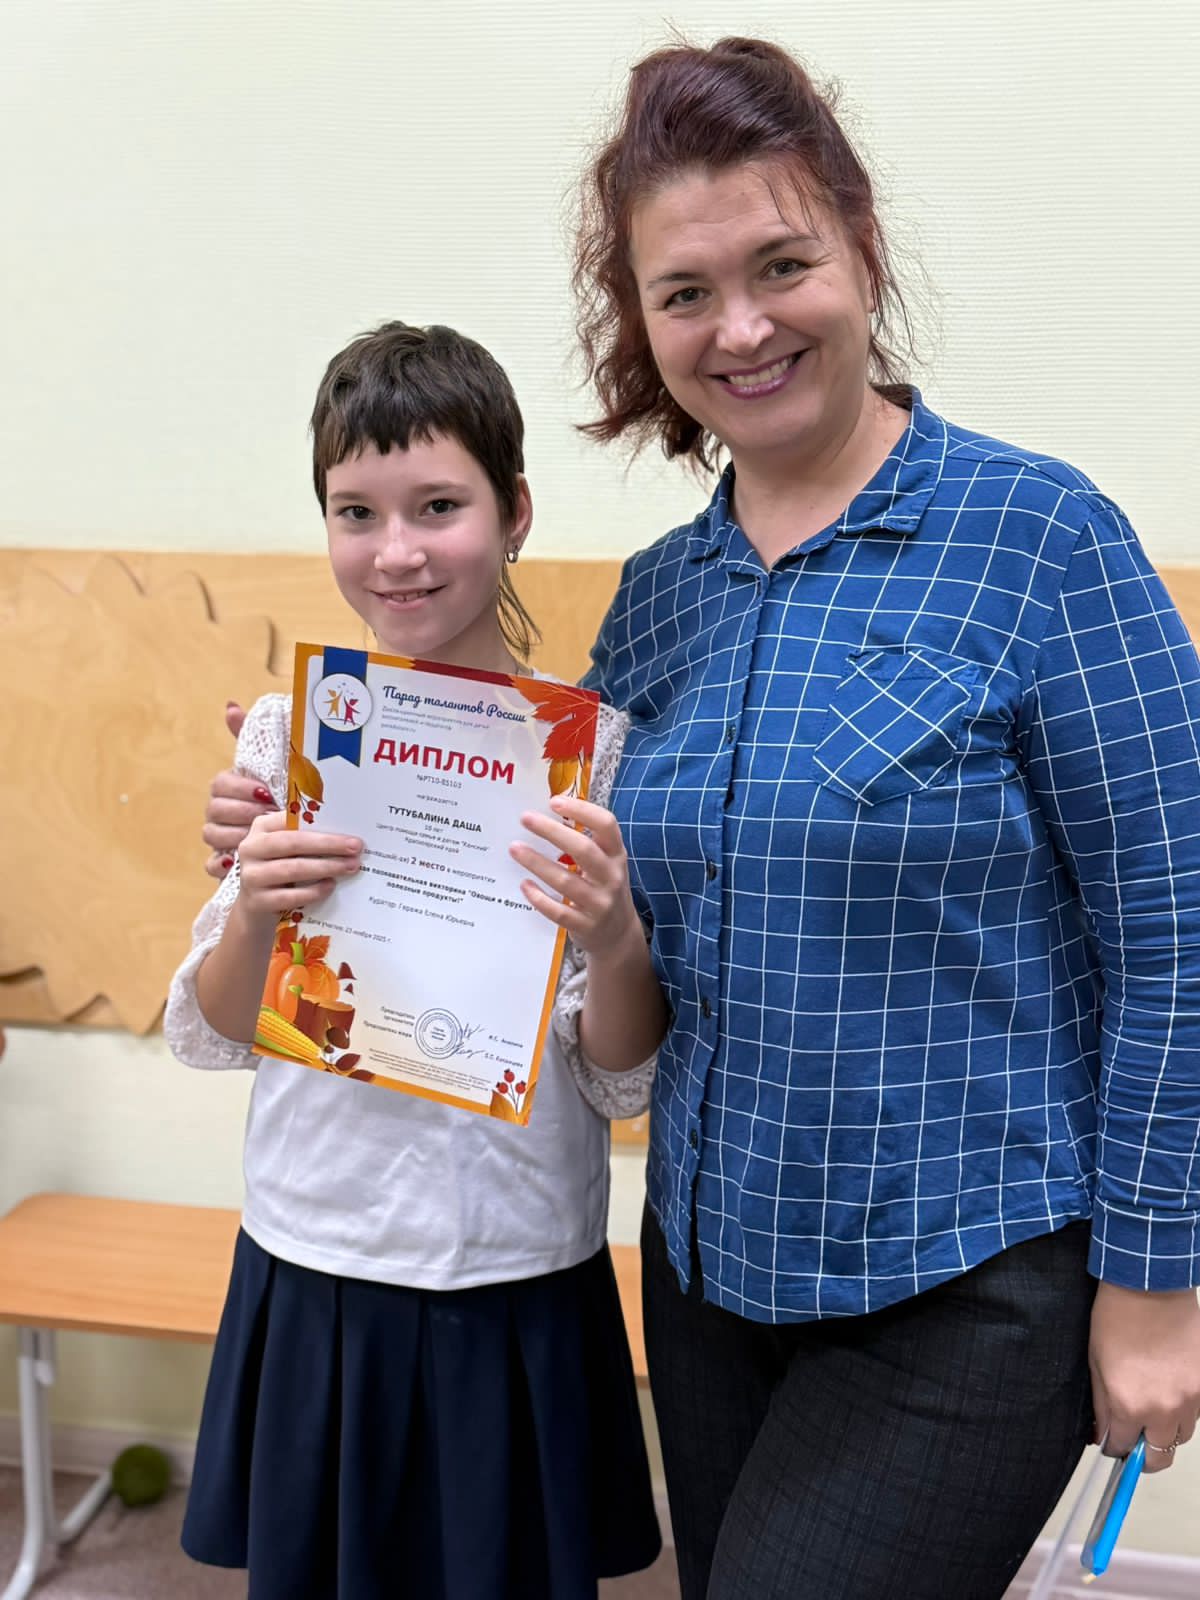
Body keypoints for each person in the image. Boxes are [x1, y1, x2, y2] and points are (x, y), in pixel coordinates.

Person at [202, 38, 1200, 1600]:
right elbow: (553, 900)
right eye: (685, 292)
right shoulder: (660, 605)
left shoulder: (1039, 539)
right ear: (643, 324)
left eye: (781, 265)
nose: (740, 327)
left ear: (862, 253)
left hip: (964, 1269)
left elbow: (1176, 924)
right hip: (710, 1273)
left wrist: (1157, 1275)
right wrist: (297, 838)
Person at [166, 320, 664, 1600]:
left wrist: (613, 934)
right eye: (357, 511)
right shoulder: (293, 734)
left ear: (514, 512)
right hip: (317, 1251)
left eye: (439, 505)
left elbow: (619, 1073)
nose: (396, 550)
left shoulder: (594, 756)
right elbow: (221, 1024)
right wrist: (257, 906)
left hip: (514, 1263)